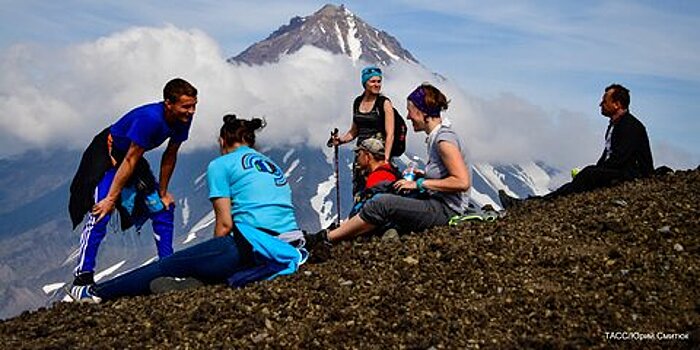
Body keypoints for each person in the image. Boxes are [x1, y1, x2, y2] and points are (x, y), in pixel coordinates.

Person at [67, 115, 307, 303]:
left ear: (222, 141)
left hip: (249, 247)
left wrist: (215, 254)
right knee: (201, 265)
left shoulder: (221, 164)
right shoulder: (272, 165)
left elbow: (225, 224)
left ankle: (96, 292)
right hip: (289, 247)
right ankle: (194, 281)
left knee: (166, 265)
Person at [68, 78, 197, 288]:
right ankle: (82, 278)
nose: (191, 111)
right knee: (101, 211)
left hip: (130, 158)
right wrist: (110, 199)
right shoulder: (151, 119)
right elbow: (129, 160)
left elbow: (170, 154)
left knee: (162, 208)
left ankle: (168, 265)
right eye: (186, 106)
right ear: (169, 104)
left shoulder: (183, 118)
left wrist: (163, 192)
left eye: (193, 105)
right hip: (107, 154)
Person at [308, 83, 471, 244]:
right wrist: (424, 176)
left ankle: (327, 238)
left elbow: (461, 182)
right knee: (386, 188)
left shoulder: (443, 140)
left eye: (410, 111)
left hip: (446, 209)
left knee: (382, 203)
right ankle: (349, 230)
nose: (408, 117)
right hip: (437, 202)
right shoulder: (437, 137)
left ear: (422, 111)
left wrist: (421, 184)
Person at [499, 83, 654, 209]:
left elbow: (620, 158)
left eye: (605, 101)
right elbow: (610, 155)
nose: (601, 104)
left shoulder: (630, 126)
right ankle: (534, 202)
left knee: (587, 175)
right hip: (621, 172)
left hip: (632, 175)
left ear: (617, 104)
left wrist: (596, 172)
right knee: (584, 177)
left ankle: (532, 204)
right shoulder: (617, 125)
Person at [331, 66, 396, 203]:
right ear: (365, 83)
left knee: (377, 189)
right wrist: (340, 140)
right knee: (360, 189)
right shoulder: (357, 102)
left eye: (379, 81)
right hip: (362, 155)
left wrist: (386, 159)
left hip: (377, 156)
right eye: (373, 81)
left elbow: (390, 134)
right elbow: (354, 132)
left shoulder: (384, 103)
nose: (377, 85)